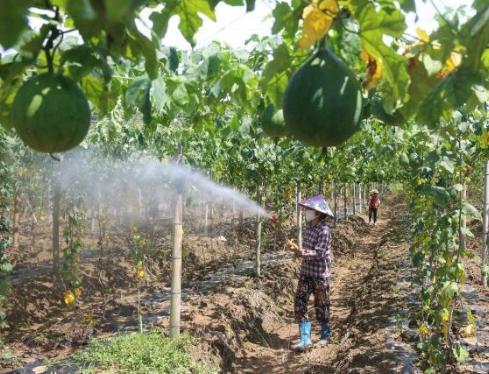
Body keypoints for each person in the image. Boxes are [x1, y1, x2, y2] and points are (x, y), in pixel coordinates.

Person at [286, 194, 334, 351]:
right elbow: (306, 251)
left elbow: (319, 253)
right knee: (300, 303)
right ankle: (305, 339)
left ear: (318, 212)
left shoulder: (324, 230)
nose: (306, 211)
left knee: (322, 304)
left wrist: (302, 252)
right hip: (306, 272)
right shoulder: (309, 228)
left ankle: (325, 336)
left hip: (320, 274)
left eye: (309, 209)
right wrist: (296, 251)